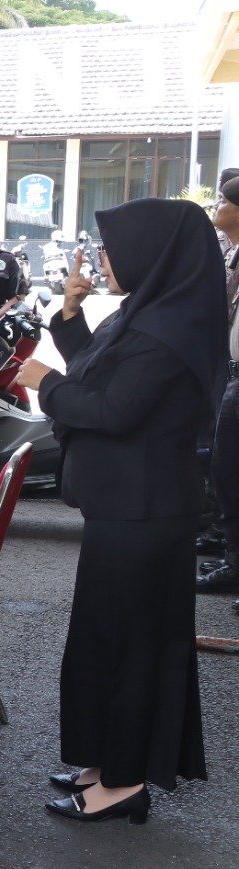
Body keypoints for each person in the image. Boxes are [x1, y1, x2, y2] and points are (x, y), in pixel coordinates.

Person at [14, 199, 218, 823]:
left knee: (132, 648)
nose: (103, 261)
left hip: (145, 513)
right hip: (126, 509)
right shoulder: (148, 313)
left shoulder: (167, 332)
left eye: (113, 250)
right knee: (105, 639)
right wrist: (69, 316)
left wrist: (45, 383)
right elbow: (101, 375)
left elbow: (112, 410)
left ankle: (125, 780)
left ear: (151, 254)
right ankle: (104, 760)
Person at [197, 175, 239, 592]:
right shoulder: (231, 253)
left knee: (229, 469)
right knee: (225, 468)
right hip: (229, 370)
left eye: (223, 200)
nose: (216, 206)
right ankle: (232, 555)